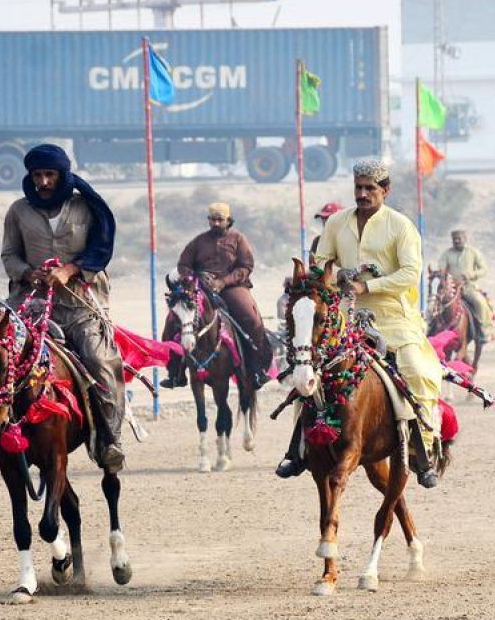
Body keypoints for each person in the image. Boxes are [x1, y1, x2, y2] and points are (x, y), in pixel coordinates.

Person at [0, 144, 126, 471]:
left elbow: (100, 249)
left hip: (79, 305)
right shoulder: (18, 211)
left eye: (50, 174)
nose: (44, 182)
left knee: (100, 359)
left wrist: (69, 270)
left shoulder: (85, 208)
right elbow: (9, 255)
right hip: (30, 305)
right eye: (38, 175)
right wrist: (27, 273)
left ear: (62, 175)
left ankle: (109, 439)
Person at [276, 159, 444, 487]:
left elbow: (411, 272)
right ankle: (298, 449)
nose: (363, 194)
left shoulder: (401, 226)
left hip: (394, 317)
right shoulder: (337, 223)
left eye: (370, 188)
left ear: (386, 190)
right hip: (343, 317)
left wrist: (368, 286)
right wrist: (337, 275)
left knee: (416, 370)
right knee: (307, 371)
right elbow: (320, 261)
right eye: (359, 188)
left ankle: (422, 446)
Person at [161, 202, 272, 390]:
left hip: (232, 287)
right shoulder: (199, 241)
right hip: (201, 288)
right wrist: (193, 277)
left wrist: (223, 282)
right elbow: (184, 264)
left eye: (220, 220)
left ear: (228, 221)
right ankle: (175, 373)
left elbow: (246, 266)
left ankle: (257, 369)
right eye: (213, 220)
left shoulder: (238, 239)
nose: (216, 223)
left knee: (251, 318)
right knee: (173, 319)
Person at [436, 229, 495, 342]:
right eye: (455, 239)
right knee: (435, 305)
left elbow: (484, 269)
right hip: (451, 289)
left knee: (480, 302)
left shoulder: (473, 253)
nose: (457, 241)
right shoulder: (447, 254)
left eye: (459, 239)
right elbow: (441, 267)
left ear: (465, 239)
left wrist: (472, 274)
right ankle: (431, 329)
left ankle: (484, 330)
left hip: (468, 287)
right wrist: (443, 273)